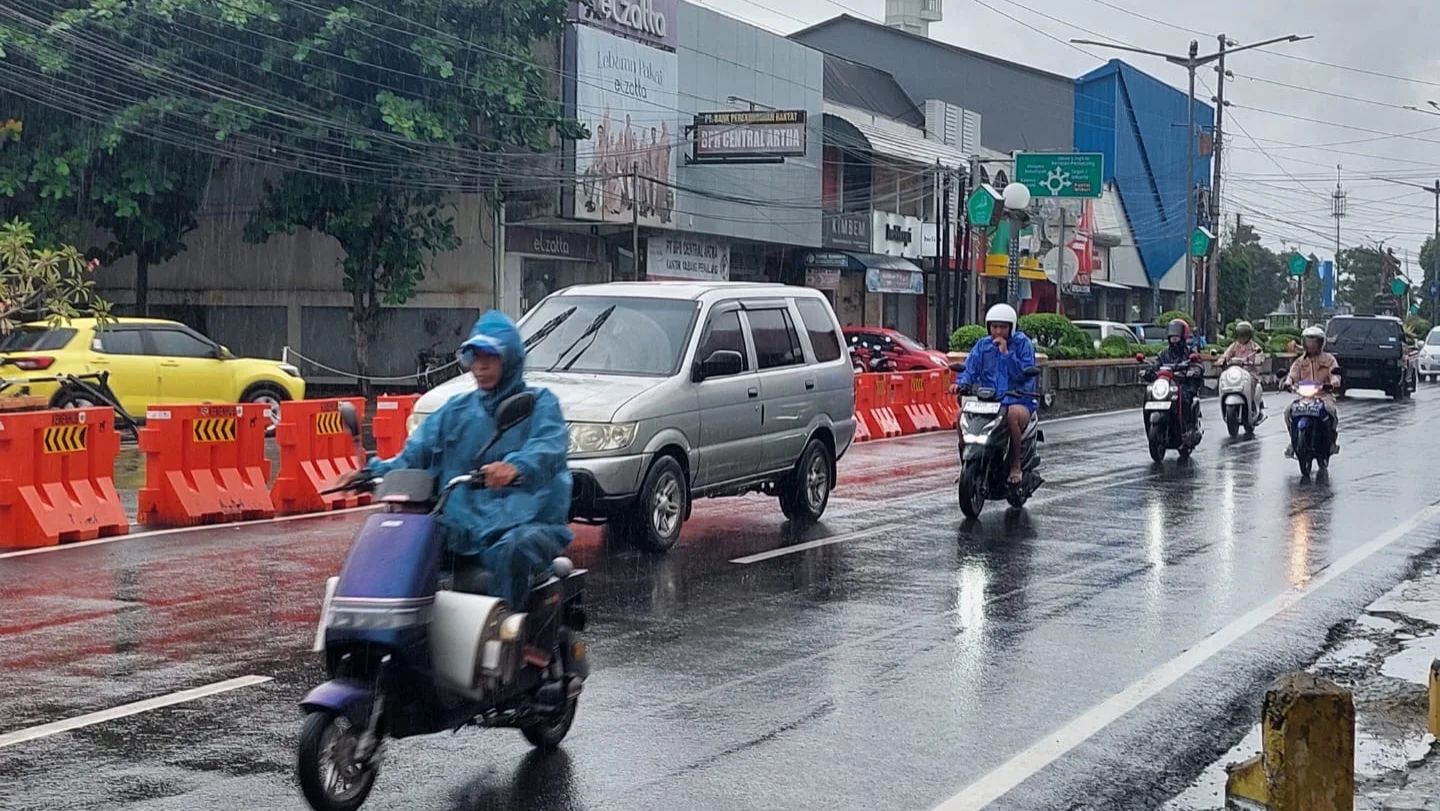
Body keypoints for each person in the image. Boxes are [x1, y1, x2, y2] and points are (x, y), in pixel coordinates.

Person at [333, 310, 574, 608]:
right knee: (405, 545)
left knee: (514, 549)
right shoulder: (456, 410)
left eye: (490, 357)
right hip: (466, 524)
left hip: (528, 520)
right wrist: (370, 475)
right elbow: (414, 456)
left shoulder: (540, 404)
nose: (480, 366)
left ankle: (507, 635)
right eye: (475, 357)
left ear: (510, 359)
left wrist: (515, 467)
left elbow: (549, 446)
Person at [954, 304, 1038, 485]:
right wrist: (961, 384)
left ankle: (1015, 465)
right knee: (960, 416)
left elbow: (1023, 373)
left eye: (1003, 327)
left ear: (1011, 327)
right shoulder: (982, 345)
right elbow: (969, 369)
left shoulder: (1022, 343)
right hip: (989, 400)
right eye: (994, 327)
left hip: (1018, 399)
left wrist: (1006, 353)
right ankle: (965, 466)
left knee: (1012, 416)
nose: (998, 331)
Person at [1282, 325, 1341, 457]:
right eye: (1308, 342)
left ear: (1320, 343)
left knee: (1331, 411)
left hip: (1323, 396)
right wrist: (1288, 383)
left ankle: (1331, 440)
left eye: (1314, 342)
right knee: (1288, 412)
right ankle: (1294, 441)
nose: (1311, 345)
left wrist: (1333, 383)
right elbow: (1292, 375)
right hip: (1304, 397)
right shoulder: (1299, 362)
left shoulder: (1329, 360)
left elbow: (1335, 375)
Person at [1151, 318, 1204, 432]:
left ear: (1183, 336)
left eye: (1176, 336)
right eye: (1171, 336)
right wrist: (1148, 371)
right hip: (1166, 386)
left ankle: (1188, 428)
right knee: (1150, 393)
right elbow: (1156, 364)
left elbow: (1198, 364)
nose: (1174, 339)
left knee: (1185, 398)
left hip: (1184, 384)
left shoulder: (1190, 352)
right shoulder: (1164, 353)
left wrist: (1194, 370)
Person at [1220, 320, 1267, 414]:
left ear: (1249, 335)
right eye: (1240, 335)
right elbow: (1226, 354)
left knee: (1252, 381)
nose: (1242, 337)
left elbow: (1259, 356)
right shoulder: (1234, 345)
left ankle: (1252, 402)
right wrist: (1221, 360)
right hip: (1235, 372)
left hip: (1250, 372)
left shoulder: (1255, 347)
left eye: (1244, 335)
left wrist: (1257, 361)